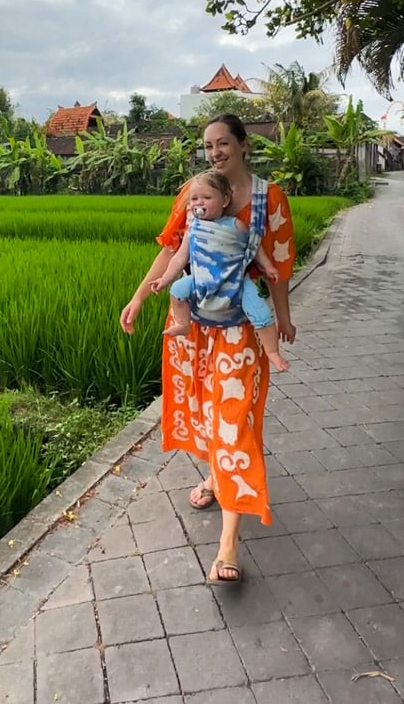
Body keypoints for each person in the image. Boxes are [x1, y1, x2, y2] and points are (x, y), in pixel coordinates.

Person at [120, 114, 296, 584]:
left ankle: (227, 546)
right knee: (203, 410)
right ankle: (217, 478)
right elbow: (171, 252)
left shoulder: (267, 197)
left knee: (235, 421)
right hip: (196, 328)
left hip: (241, 332)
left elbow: (277, 261)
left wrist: (282, 317)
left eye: (223, 143)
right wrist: (139, 296)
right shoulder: (192, 193)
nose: (215, 151)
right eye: (209, 145)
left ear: (242, 144)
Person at [149, 169, 289, 372]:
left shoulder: (235, 225)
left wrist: (267, 266)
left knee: (262, 313)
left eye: (206, 197)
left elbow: (254, 246)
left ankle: (272, 352)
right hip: (201, 281)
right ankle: (182, 323)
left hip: (235, 283)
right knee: (177, 291)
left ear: (225, 200)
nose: (199, 203)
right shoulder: (193, 229)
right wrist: (164, 279)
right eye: (194, 199)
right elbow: (180, 258)